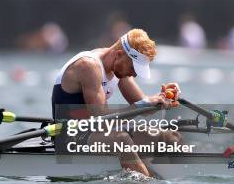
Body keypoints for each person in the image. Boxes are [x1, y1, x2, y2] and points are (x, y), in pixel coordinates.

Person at [51, 28, 181, 176]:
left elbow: (143, 106)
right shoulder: (88, 66)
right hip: (71, 135)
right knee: (121, 139)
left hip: (95, 132)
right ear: (119, 55)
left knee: (169, 137)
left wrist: (162, 98)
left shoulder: (119, 66)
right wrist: (143, 105)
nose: (134, 74)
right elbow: (102, 119)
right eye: (133, 68)